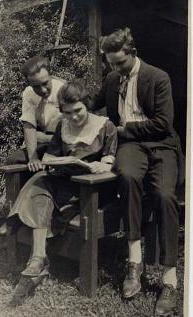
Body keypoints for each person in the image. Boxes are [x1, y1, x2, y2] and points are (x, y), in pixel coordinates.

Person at [93, 27, 183, 316]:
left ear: (132, 53)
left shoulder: (158, 78)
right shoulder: (111, 78)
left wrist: (124, 129)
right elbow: (91, 103)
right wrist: (64, 100)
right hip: (131, 146)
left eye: (120, 63)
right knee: (129, 177)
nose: (115, 69)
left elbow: (163, 123)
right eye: (110, 63)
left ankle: (169, 278)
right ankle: (134, 263)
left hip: (160, 145)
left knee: (165, 195)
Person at [7, 80, 117, 291]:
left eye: (78, 111)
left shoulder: (105, 126)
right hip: (63, 181)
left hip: (89, 190)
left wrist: (99, 165)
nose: (73, 117)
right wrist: (52, 161)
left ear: (87, 104)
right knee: (39, 183)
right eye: (67, 113)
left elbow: (110, 161)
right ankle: (38, 258)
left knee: (40, 189)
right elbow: (50, 155)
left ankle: (39, 260)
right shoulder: (63, 126)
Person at [0, 55, 65, 236]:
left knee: (45, 169)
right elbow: (29, 126)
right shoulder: (29, 94)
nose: (42, 89)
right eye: (36, 86)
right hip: (41, 141)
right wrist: (32, 156)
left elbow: (68, 131)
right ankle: (14, 219)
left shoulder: (63, 90)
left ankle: (35, 217)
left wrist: (45, 138)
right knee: (15, 160)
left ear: (51, 76)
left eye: (45, 83)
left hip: (61, 145)